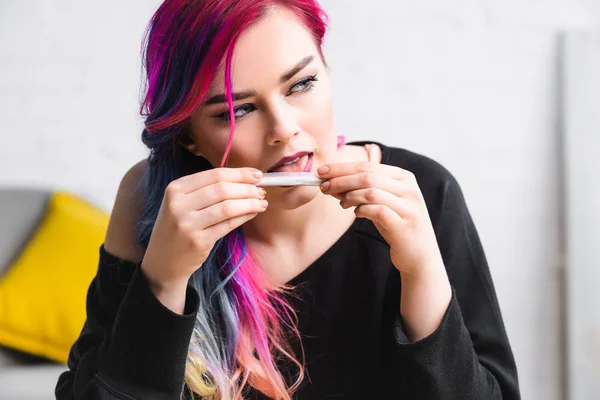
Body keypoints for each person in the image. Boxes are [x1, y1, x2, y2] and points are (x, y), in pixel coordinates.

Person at [55, 0, 520, 399]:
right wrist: (163, 279)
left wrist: (421, 273)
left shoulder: (422, 190)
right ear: (189, 139)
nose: (284, 129)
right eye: (237, 111)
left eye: (301, 84)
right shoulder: (151, 202)